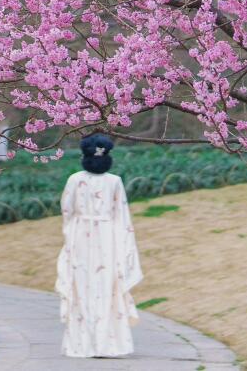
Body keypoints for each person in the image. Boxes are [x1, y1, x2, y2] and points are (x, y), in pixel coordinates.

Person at [55, 134, 142, 358]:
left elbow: (67, 210)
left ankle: (85, 343)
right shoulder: (113, 181)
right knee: (101, 286)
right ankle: (105, 344)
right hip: (106, 237)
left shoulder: (76, 179)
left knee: (89, 285)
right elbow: (121, 215)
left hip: (85, 235)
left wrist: (71, 232)